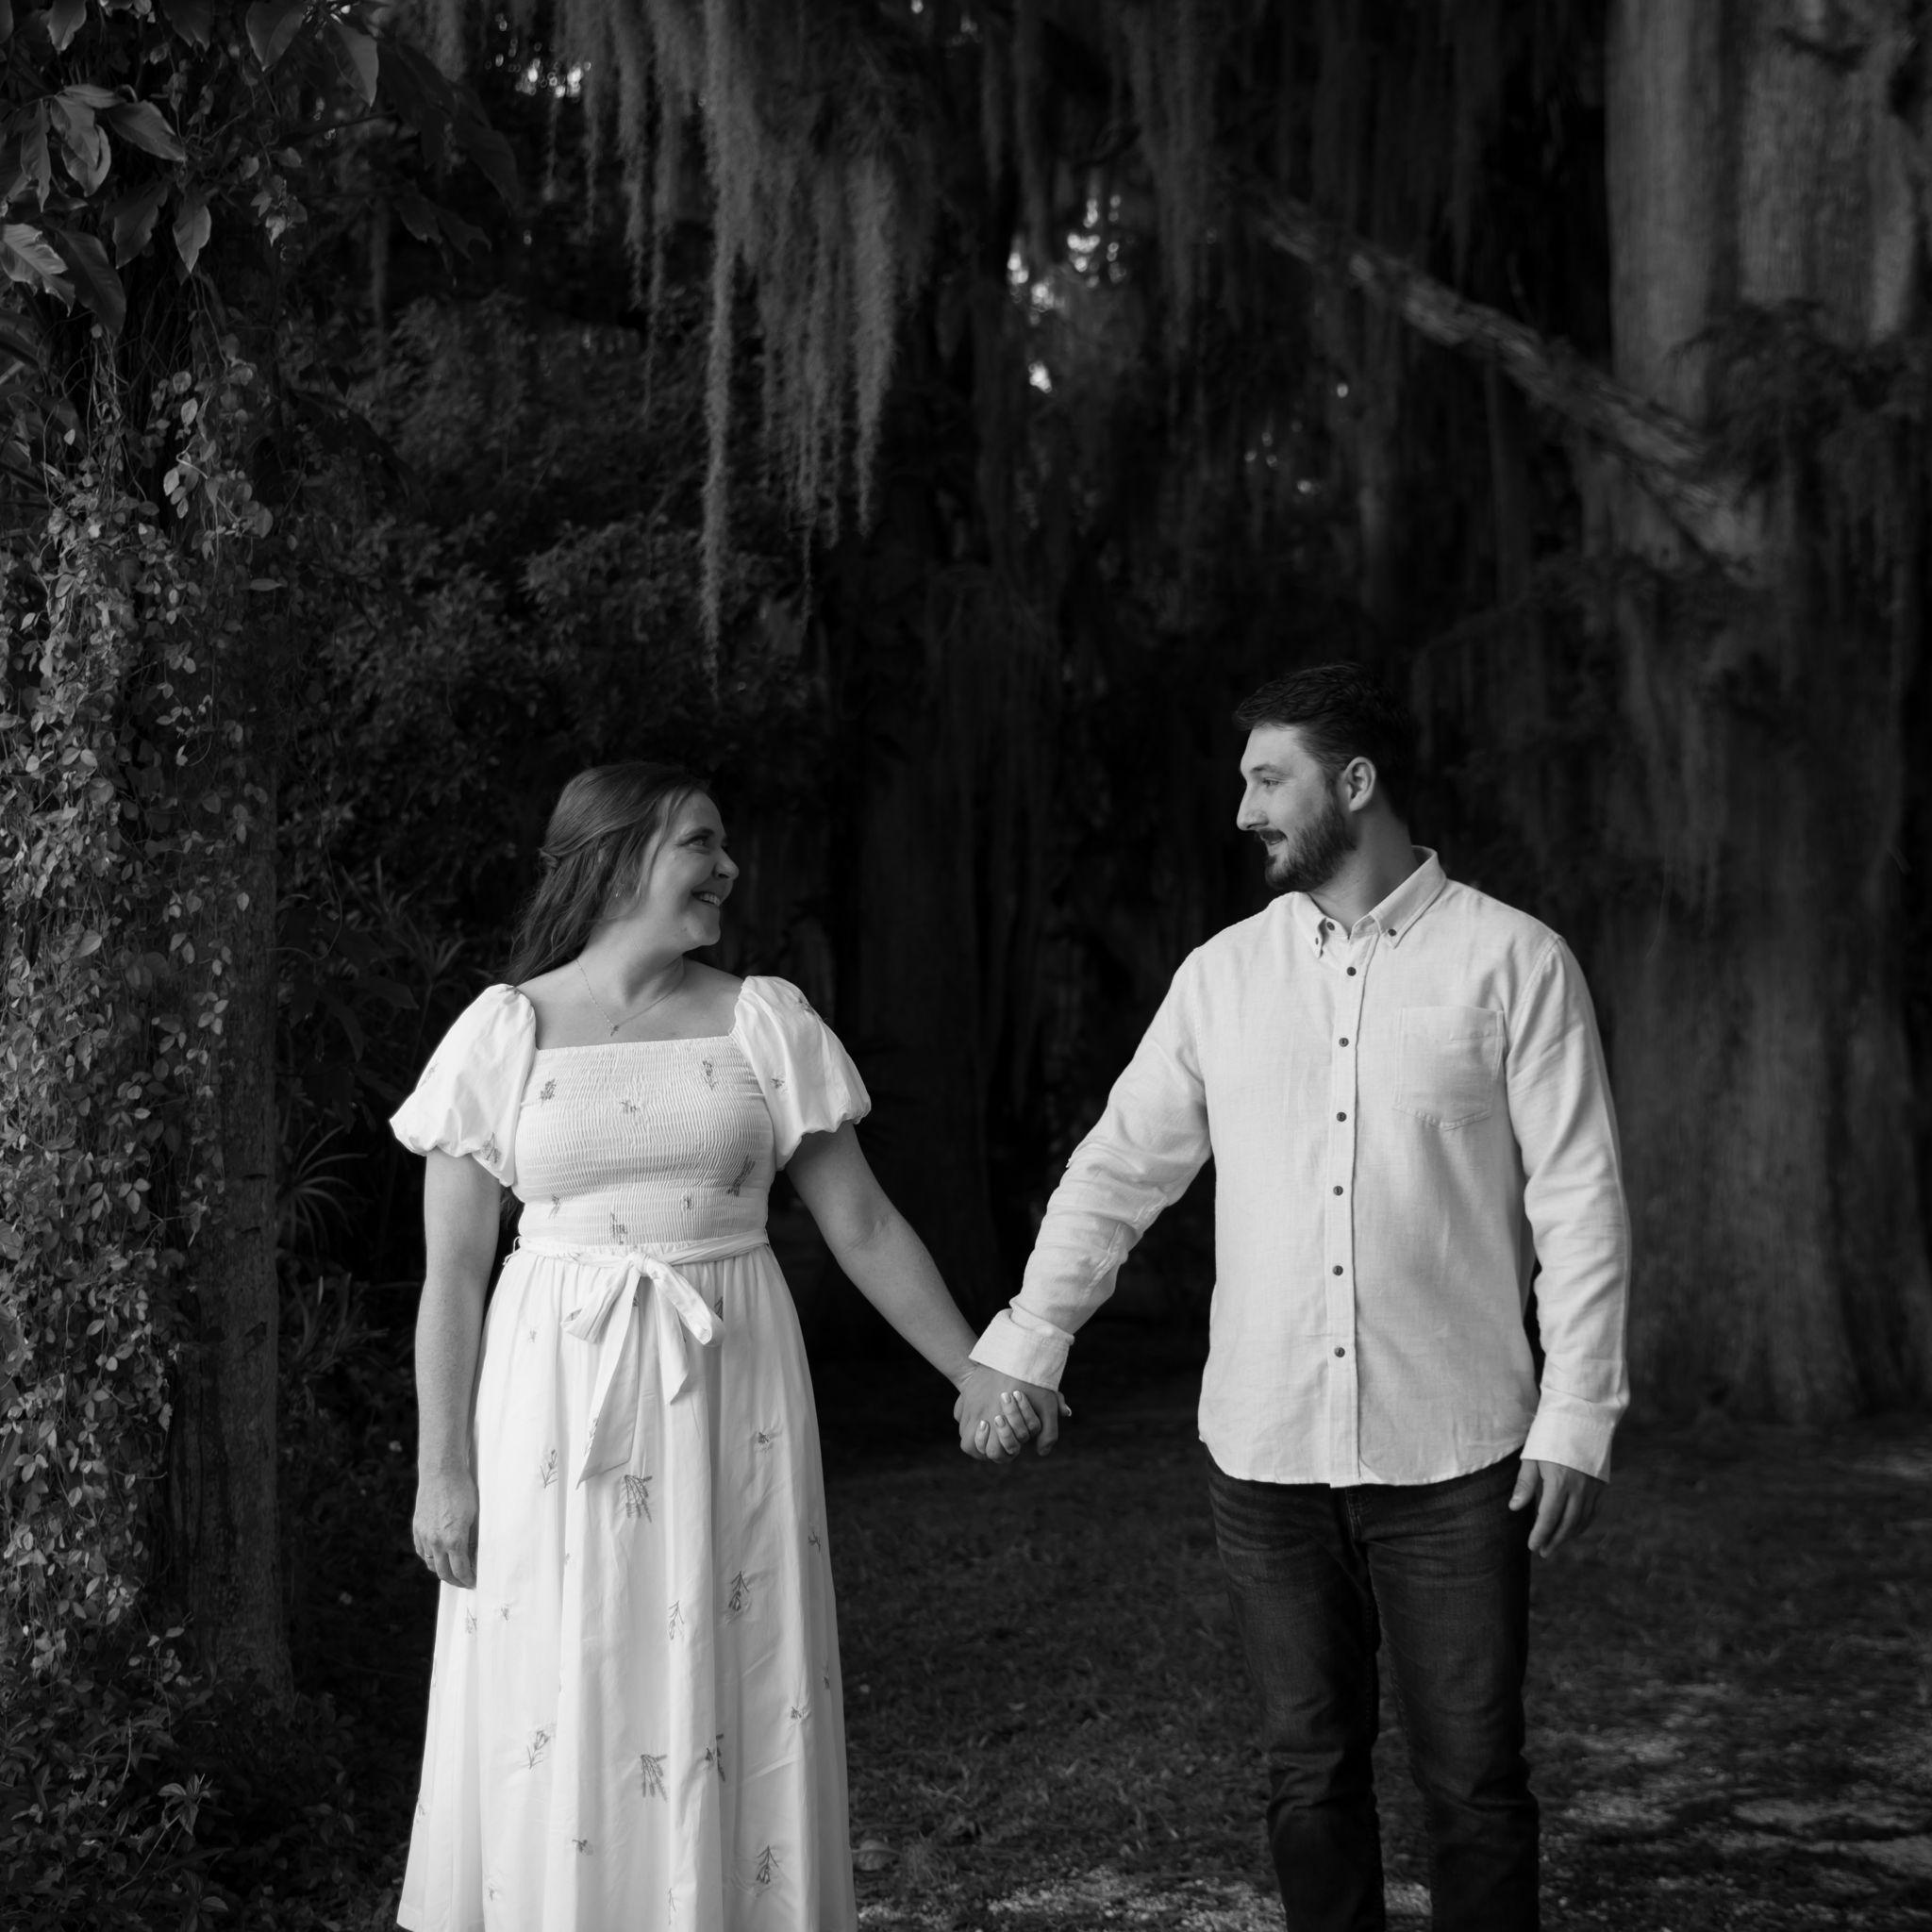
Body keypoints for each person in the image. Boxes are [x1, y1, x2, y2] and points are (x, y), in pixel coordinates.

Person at [955, 663, 1630, 1931]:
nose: (1244, 810)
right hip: (1265, 1455)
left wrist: (1579, 1411)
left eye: (1269, 780)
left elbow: (1578, 1200)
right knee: (1307, 1778)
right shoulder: (1222, 976)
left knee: (1475, 1783)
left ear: (1354, 783)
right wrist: (1031, 1339)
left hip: (1457, 1454)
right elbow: (1119, 1168)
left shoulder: (1515, 962)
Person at [390, 761, 1038, 1932]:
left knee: (729, 1663)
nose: (727, 866)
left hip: (729, 1396)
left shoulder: (762, 1020)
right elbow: (453, 1276)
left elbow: (861, 1222)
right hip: (552, 1411)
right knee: (558, 1671)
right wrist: (444, 1468)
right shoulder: (501, 1031)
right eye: (700, 841)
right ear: (618, 858)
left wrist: (972, 1368)